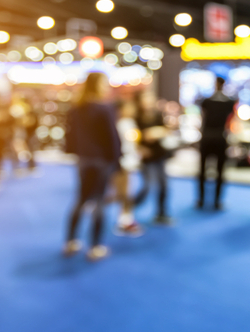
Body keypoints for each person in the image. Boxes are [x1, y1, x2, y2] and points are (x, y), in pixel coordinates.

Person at [64, 72, 121, 261]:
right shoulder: (104, 109)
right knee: (98, 202)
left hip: (84, 160)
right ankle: (95, 246)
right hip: (101, 162)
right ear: (98, 85)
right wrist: (116, 162)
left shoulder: (77, 108)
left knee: (80, 199)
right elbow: (112, 139)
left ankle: (71, 241)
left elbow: (69, 137)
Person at [133, 90, 173, 224]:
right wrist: (140, 146)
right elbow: (134, 137)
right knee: (147, 186)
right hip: (146, 157)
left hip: (159, 154)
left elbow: (165, 129)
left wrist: (155, 133)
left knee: (164, 185)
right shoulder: (136, 117)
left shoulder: (157, 114)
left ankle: (161, 213)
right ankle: (129, 208)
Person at [197, 76, 236, 210]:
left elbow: (202, 117)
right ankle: (216, 201)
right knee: (218, 171)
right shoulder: (228, 102)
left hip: (208, 137)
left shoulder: (207, 101)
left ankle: (202, 200)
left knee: (203, 170)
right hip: (220, 138)